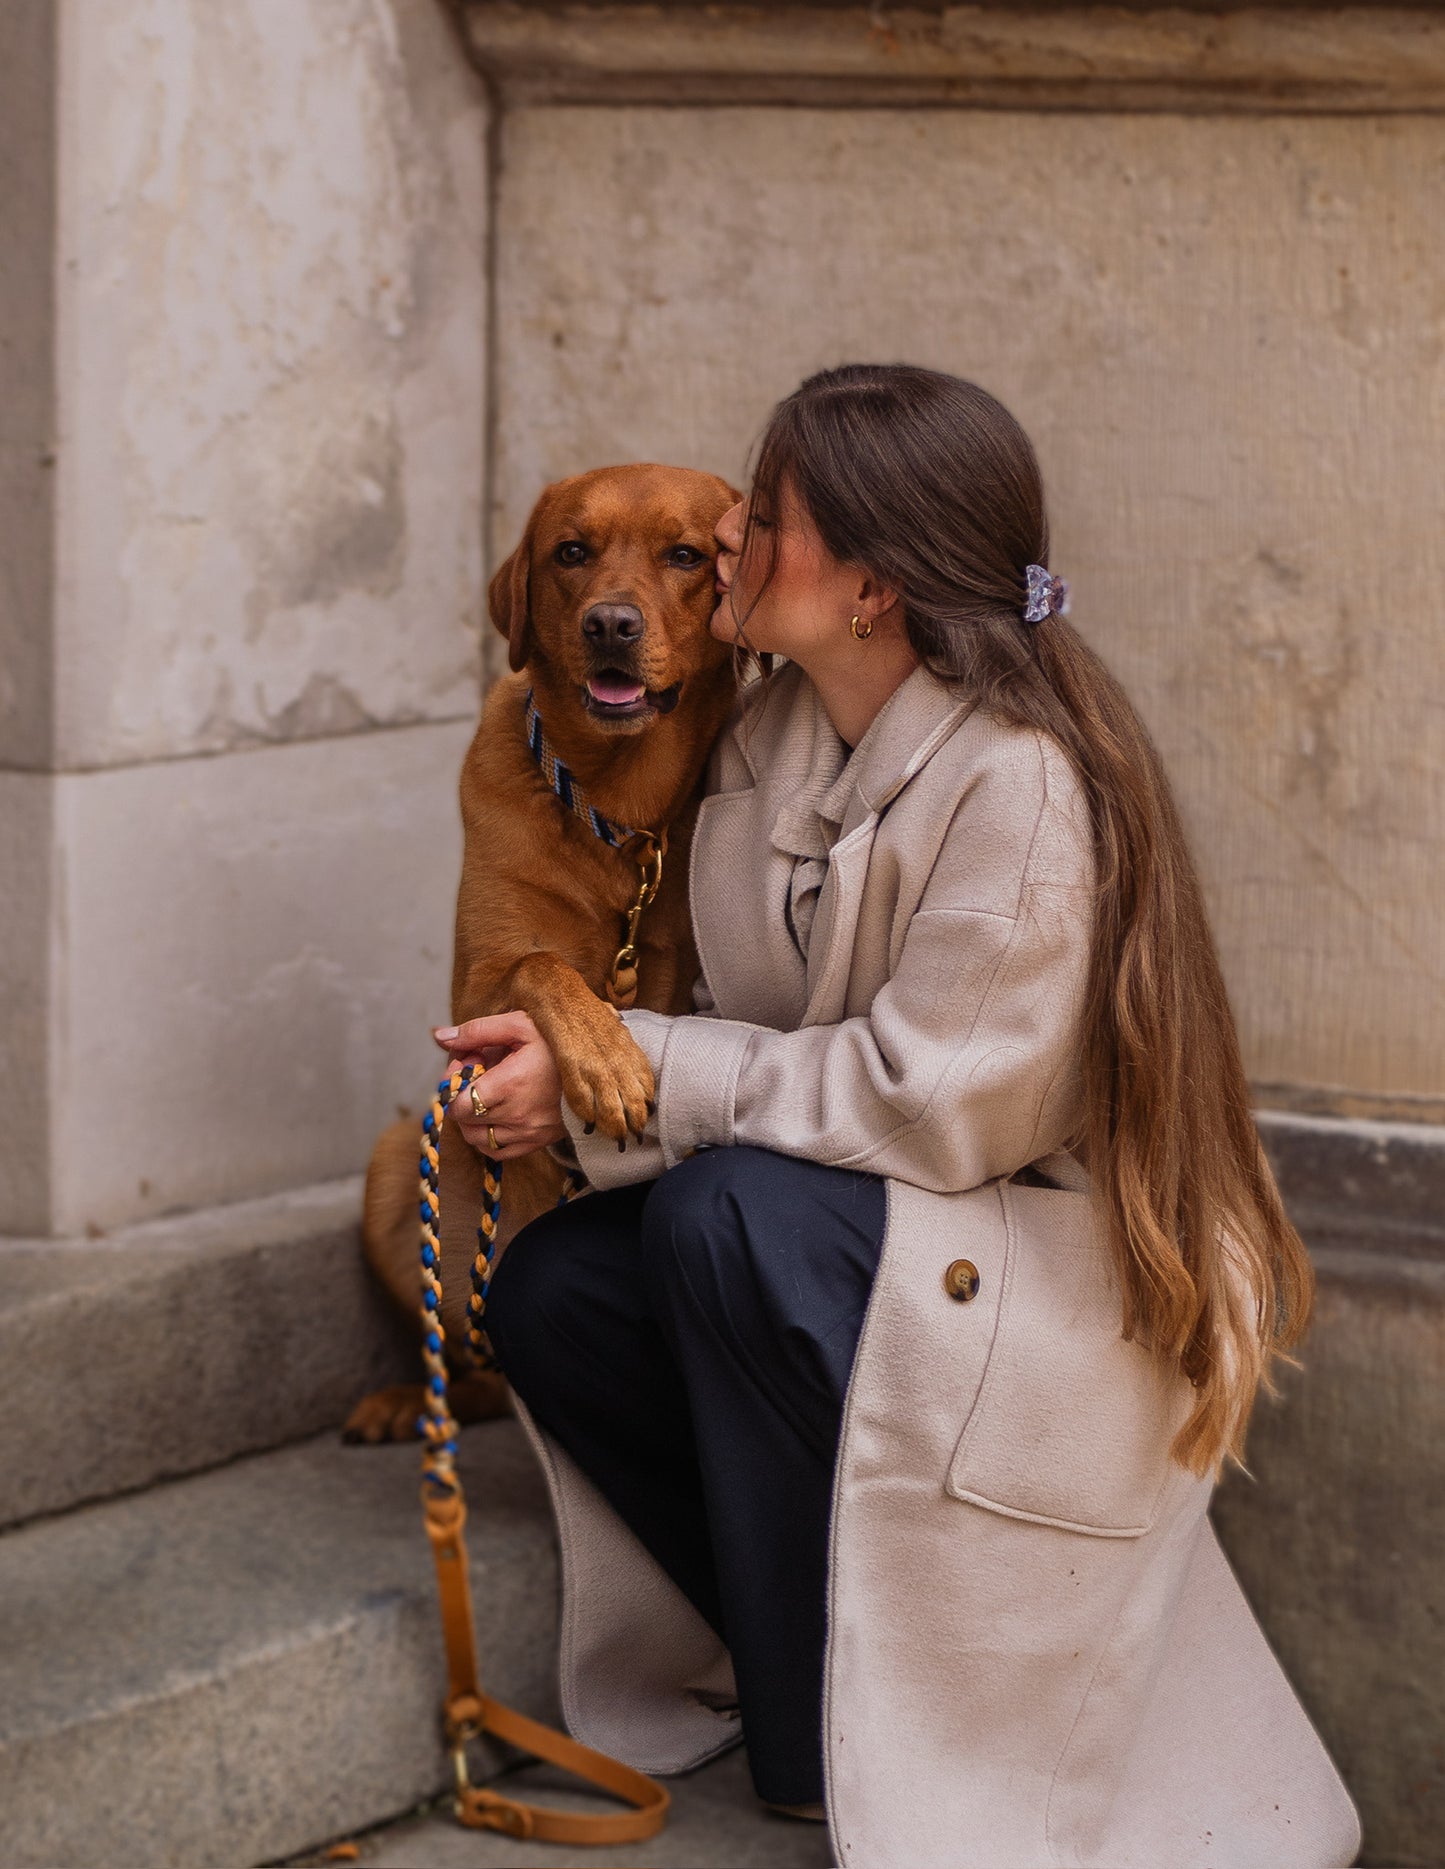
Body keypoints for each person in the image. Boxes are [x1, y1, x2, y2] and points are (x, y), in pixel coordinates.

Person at [431, 365, 1360, 1867]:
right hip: (888, 1241)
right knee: (554, 1285)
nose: (724, 541)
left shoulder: (1024, 785)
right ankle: (790, 1643)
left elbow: (926, 1106)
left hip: (1051, 1285)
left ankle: (817, 1742)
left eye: (762, 518)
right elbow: (713, 1012)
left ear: (870, 584)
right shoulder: (761, 743)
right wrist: (554, 1058)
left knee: (721, 1216)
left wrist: (648, 1072)